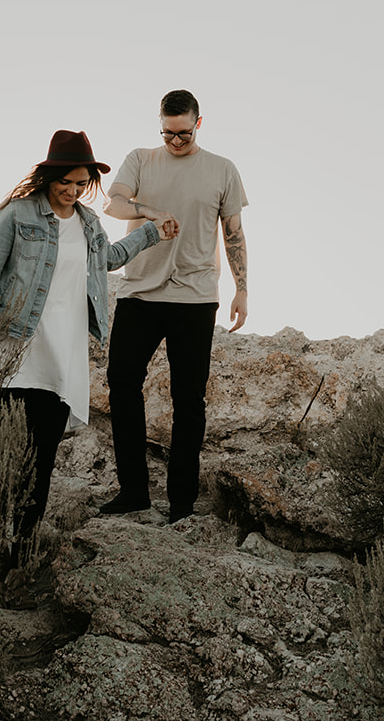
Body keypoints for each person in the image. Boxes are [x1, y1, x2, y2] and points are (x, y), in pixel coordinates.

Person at [0, 129, 174, 560]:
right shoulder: (17, 215)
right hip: (15, 351)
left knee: (40, 462)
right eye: (67, 181)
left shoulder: (88, 223)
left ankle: (19, 553)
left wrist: (151, 233)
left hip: (63, 356)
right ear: (49, 176)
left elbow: (108, 260)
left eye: (82, 184)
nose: (73, 190)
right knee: (0, 454)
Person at [99, 89, 248, 522]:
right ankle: (133, 492)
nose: (175, 141)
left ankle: (181, 501)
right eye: (167, 133)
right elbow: (114, 202)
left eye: (183, 133)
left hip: (195, 297)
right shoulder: (141, 159)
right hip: (140, 292)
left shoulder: (223, 169)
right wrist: (151, 211)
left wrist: (242, 288)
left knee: (189, 400)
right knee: (122, 385)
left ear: (198, 123)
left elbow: (235, 234)